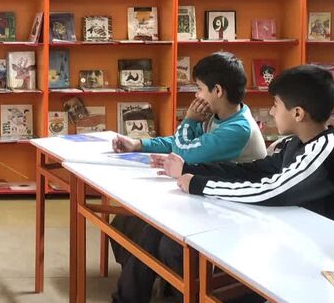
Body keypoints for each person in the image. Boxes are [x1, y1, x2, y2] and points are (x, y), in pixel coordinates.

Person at [153, 65, 334, 296]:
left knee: (212, 259)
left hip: (331, 263)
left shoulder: (327, 150)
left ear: (297, 113)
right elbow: (254, 171)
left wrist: (199, 185)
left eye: (276, 105)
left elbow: (272, 190)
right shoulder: (295, 143)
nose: (272, 112)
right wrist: (189, 169)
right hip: (297, 240)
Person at [109, 52, 266, 303]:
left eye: (199, 88)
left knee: (163, 241)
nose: (196, 96)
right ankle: (139, 294)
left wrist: (189, 121)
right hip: (207, 198)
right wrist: (139, 144)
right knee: (133, 224)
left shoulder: (238, 129)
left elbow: (184, 151)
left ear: (217, 91)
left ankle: (180, 292)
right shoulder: (219, 116)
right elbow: (181, 143)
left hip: (234, 211)